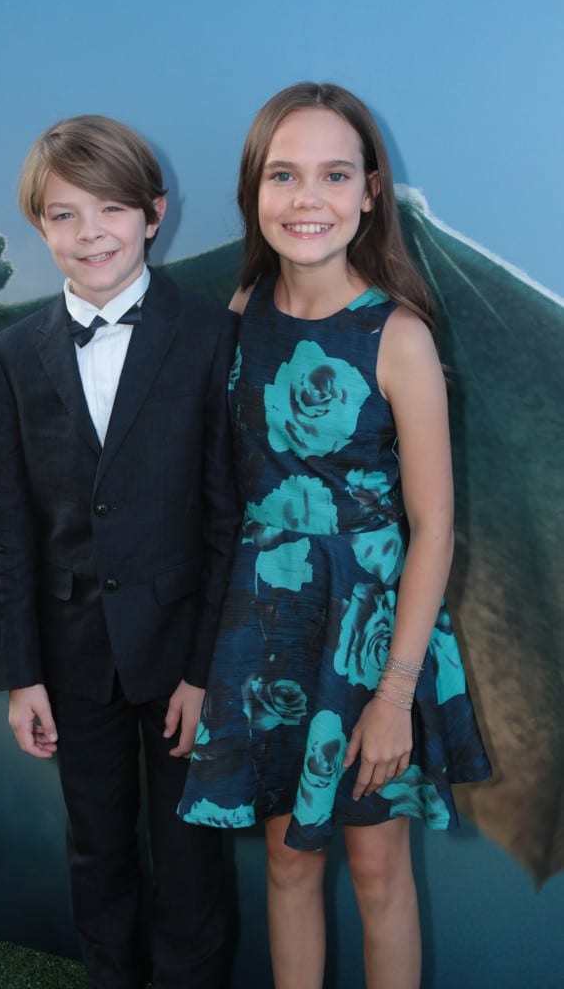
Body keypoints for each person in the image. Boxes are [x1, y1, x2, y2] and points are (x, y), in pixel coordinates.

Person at [179, 82, 492, 989]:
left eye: (332, 174)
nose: (306, 198)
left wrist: (395, 694)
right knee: (286, 861)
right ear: (253, 192)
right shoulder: (240, 317)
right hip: (264, 627)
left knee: (377, 867)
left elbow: (433, 527)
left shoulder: (398, 336)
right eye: (283, 175)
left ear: (369, 192)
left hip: (367, 640)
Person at [0, 114, 239, 989]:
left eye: (111, 210)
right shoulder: (14, 352)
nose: (90, 232)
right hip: (69, 658)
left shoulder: (210, 337)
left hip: (181, 663)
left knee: (191, 864)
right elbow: (9, 523)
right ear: (39, 226)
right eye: (63, 215)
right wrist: (21, 672)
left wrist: (205, 674)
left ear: (153, 213)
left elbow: (224, 521)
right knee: (96, 855)